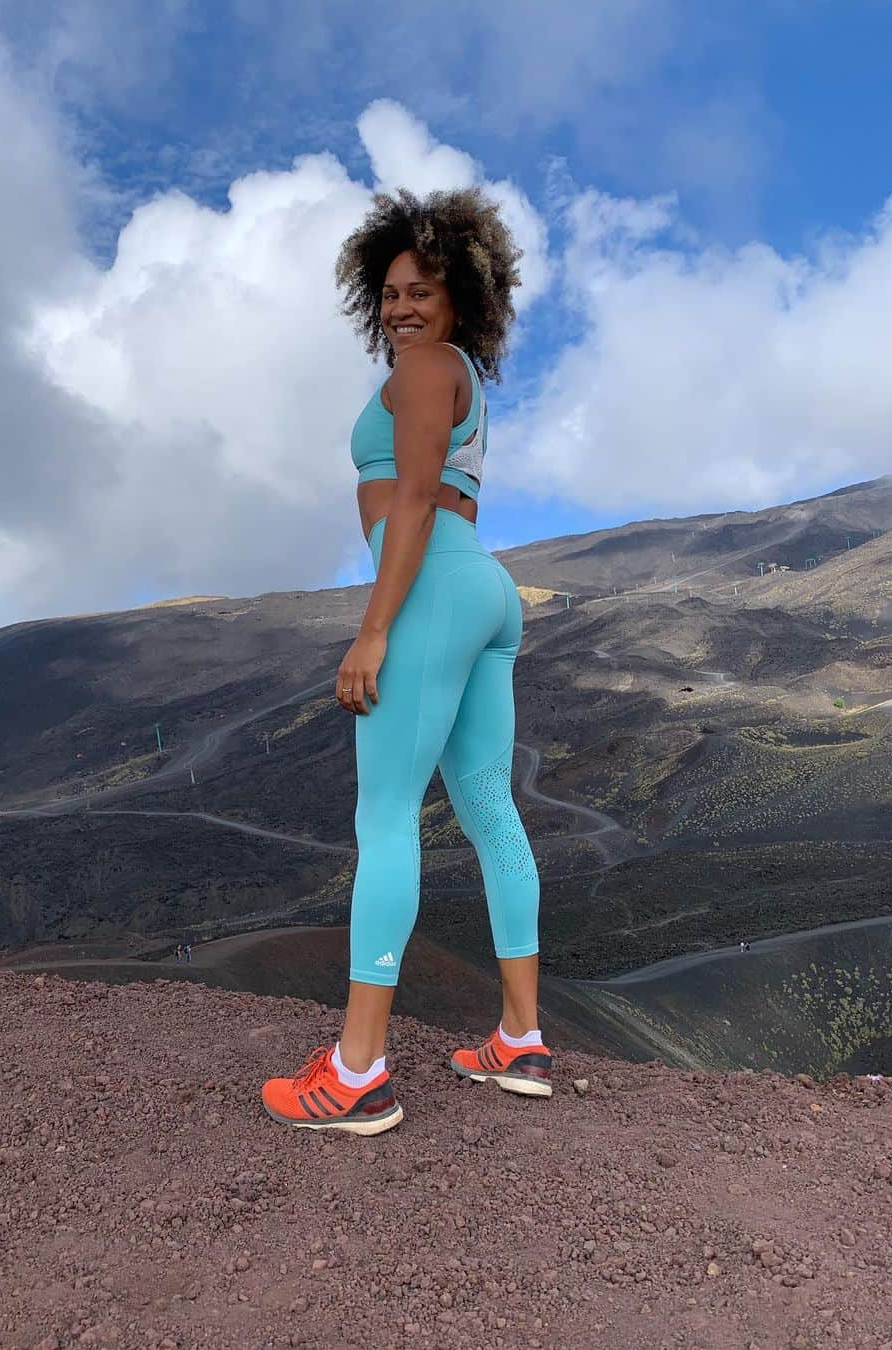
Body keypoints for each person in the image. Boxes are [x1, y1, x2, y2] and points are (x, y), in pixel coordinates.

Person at [261, 186, 552, 1136]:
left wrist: (375, 628)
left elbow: (416, 500)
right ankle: (519, 1039)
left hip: (430, 585)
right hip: (483, 591)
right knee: (489, 808)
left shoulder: (428, 366)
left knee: (386, 818)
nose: (402, 307)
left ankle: (356, 1073)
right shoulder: (456, 370)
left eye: (423, 289)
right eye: (389, 293)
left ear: (461, 299)